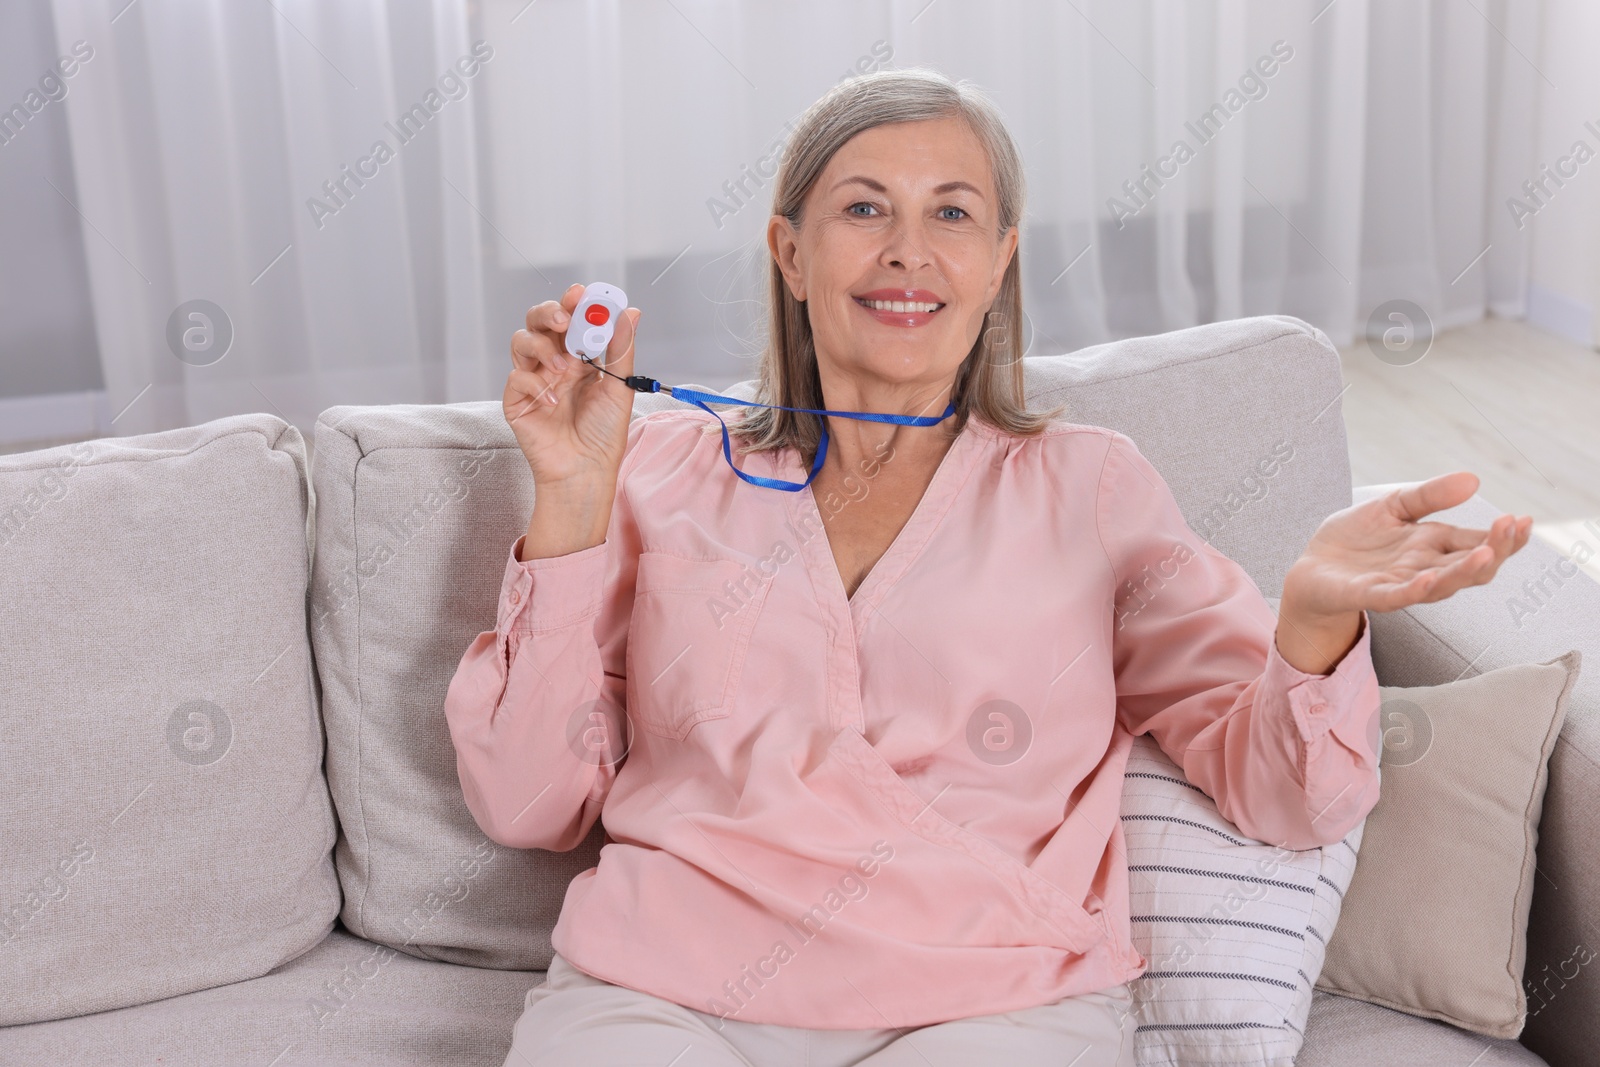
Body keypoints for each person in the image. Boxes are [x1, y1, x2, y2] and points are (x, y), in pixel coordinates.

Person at [443, 67, 1532, 1067]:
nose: (908, 251)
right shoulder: (659, 473)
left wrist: (1309, 623)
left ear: (1002, 256)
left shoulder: (1088, 488)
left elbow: (1289, 798)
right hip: (659, 994)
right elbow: (529, 801)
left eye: (951, 213)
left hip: (991, 1006)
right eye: (864, 208)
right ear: (789, 252)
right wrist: (572, 502)